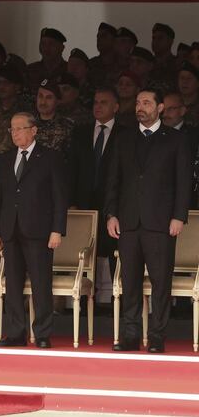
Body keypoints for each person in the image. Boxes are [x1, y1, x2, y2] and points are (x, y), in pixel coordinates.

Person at [105, 89, 192, 353]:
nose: (140, 107)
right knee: (130, 281)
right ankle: (130, 335)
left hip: (161, 222)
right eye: (138, 102)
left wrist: (179, 216)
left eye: (146, 103)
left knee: (160, 281)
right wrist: (111, 214)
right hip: (129, 221)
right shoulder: (123, 138)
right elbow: (113, 180)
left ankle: (156, 336)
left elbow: (183, 182)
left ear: (160, 107)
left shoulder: (176, 139)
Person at [0, 112, 68, 348]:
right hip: (10, 230)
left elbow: (59, 197)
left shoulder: (50, 158)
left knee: (41, 283)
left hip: (39, 230)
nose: (15, 133)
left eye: (20, 128)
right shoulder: (4, 159)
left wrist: (57, 230)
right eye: (12, 129)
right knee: (13, 285)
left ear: (34, 130)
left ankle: (42, 333)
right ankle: (15, 332)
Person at [69, 87, 125, 280]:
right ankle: (84, 303)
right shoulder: (80, 132)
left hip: (113, 203)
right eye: (96, 102)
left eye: (104, 102)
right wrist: (72, 201)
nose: (98, 106)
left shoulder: (125, 133)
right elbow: (72, 170)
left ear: (116, 107)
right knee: (83, 251)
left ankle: (118, 303)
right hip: (84, 201)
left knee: (115, 253)